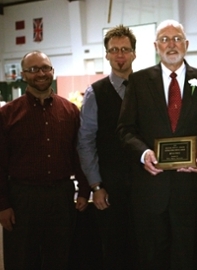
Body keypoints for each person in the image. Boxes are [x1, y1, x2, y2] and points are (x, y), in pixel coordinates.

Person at [117, 19, 197, 270]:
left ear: (186, 44)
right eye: (165, 39)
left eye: (177, 38)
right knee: (151, 257)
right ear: (156, 45)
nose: (171, 44)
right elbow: (125, 130)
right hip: (149, 191)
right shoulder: (138, 82)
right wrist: (143, 153)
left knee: (187, 257)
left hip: (188, 190)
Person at [0, 50, 90, 269]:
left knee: (59, 258)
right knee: (21, 259)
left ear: (52, 72)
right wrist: (3, 205)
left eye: (44, 68)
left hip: (61, 196)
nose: (40, 74)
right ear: (23, 75)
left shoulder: (70, 111)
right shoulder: (8, 114)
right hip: (22, 198)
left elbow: (78, 153)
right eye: (33, 70)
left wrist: (85, 190)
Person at [77, 25, 137, 269]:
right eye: (114, 50)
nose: (120, 55)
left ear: (134, 53)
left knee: (143, 249)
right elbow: (85, 140)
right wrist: (96, 185)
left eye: (125, 49)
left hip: (144, 187)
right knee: (113, 251)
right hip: (109, 189)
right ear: (107, 55)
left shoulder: (146, 87)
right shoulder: (95, 92)